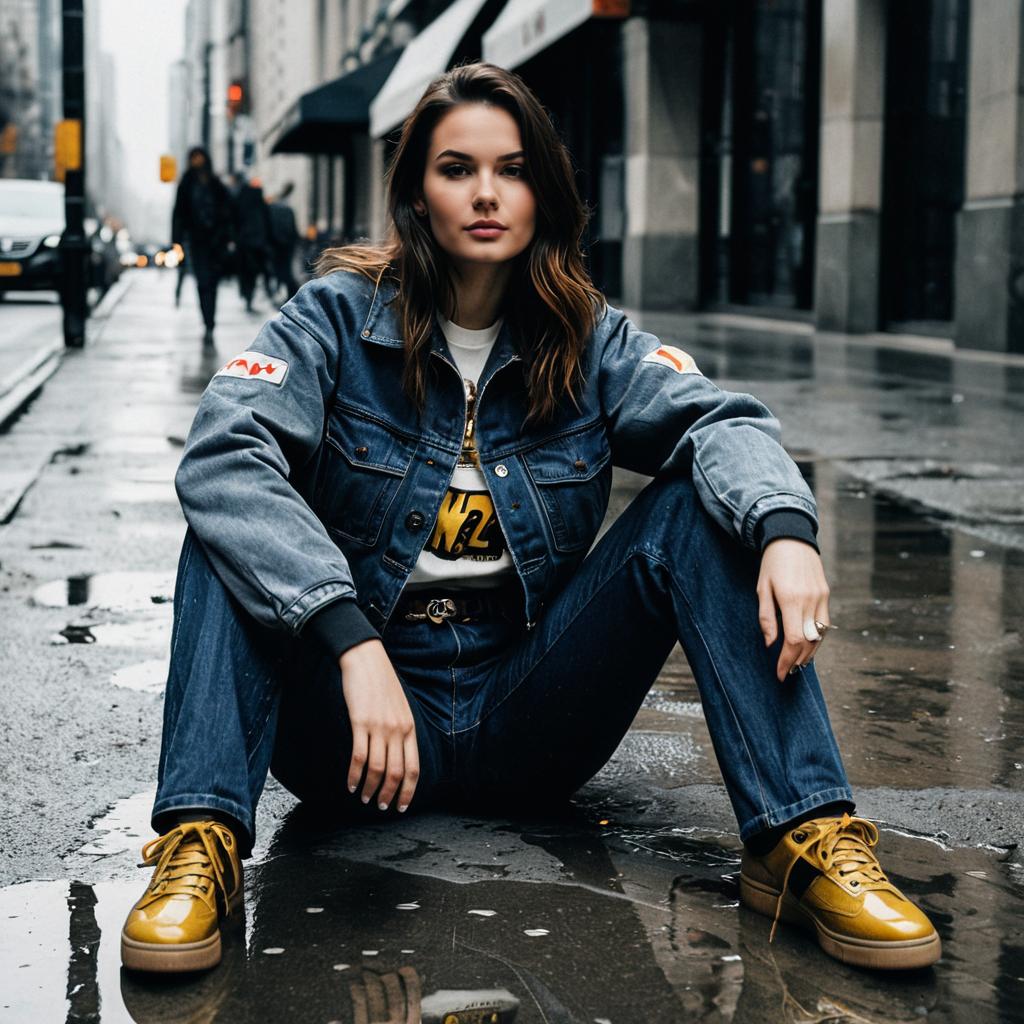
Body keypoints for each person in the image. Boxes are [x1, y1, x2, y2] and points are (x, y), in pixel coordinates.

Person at [121, 62, 940, 976]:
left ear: (542, 191)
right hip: (356, 737)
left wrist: (785, 528)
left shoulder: (587, 338)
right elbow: (225, 451)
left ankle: (800, 837)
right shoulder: (336, 321)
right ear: (416, 193)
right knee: (229, 526)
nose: (485, 193)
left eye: (511, 169)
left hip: (526, 717)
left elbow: (722, 418)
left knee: (706, 508)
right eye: (456, 168)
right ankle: (200, 845)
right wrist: (348, 639)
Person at [171, 147, 234, 346]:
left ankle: (210, 322)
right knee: (203, 282)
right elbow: (178, 213)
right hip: (197, 242)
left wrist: (227, 235)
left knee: (212, 283)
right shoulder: (186, 184)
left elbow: (228, 211)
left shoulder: (216, 184)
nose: (197, 161)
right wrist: (177, 240)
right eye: (193, 158)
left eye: (199, 157)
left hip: (216, 242)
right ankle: (207, 322)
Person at [231, 174, 273, 312]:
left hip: (245, 245)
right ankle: (250, 295)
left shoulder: (241, 201)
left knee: (245, 271)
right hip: (257, 245)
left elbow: (235, 222)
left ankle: (246, 293)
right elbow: (268, 224)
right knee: (254, 272)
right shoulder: (260, 204)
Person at [267, 181, 300, 302]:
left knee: (281, 271)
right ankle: (289, 294)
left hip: (278, 244)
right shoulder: (284, 207)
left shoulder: (275, 206)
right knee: (283, 271)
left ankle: (289, 293)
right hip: (284, 244)